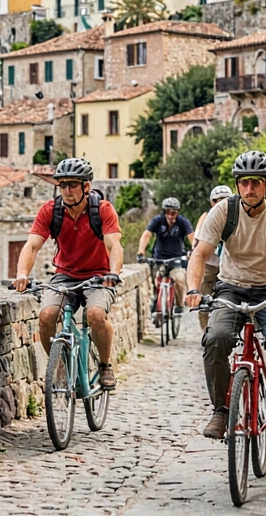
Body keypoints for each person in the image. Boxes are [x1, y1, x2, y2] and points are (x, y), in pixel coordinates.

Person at [185, 151, 266, 445]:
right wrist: (192, 289)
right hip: (231, 287)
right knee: (215, 338)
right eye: (244, 182)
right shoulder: (224, 211)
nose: (249, 188)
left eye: (255, 182)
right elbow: (200, 254)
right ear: (237, 184)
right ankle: (220, 409)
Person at [14, 158, 124, 390]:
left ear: (86, 187)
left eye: (72, 184)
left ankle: (105, 366)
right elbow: (31, 246)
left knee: (95, 315)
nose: (66, 190)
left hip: (99, 276)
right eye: (62, 184)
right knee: (46, 316)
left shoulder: (102, 210)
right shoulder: (50, 211)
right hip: (65, 276)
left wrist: (113, 273)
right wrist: (22, 274)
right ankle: (60, 367)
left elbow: (114, 245)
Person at [138, 197, 194, 320]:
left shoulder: (183, 222)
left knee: (179, 280)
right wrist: (141, 251)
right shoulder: (158, 221)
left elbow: (192, 237)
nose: (170, 216)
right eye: (167, 212)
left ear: (177, 213)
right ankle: (156, 301)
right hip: (159, 258)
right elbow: (147, 235)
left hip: (177, 259)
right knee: (156, 279)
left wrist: (194, 250)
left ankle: (179, 305)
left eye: (173, 213)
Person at [195, 185, 235, 330]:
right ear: (212, 202)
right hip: (211, 264)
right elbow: (197, 239)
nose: (222, 204)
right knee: (204, 301)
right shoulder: (207, 217)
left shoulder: (238, 217)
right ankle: (205, 332)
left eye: (225, 200)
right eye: (218, 200)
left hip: (232, 266)